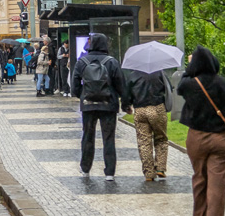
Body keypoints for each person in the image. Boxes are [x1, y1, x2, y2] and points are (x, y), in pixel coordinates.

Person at [177, 46, 225, 216]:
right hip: (220, 138)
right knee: (217, 183)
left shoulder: (190, 84)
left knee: (199, 177)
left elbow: (180, 85)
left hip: (196, 138)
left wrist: (190, 68)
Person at [70, 32, 126, 181]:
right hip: (109, 104)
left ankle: (86, 169)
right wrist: (124, 101)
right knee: (109, 138)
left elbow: (74, 86)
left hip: (88, 105)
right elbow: (121, 84)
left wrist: (82, 95)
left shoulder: (82, 62)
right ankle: (109, 173)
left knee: (88, 136)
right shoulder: (111, 62)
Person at [122, 66, 172, 182]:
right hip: (157, 108)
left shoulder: (133, 75)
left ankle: (149, 173)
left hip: (140, 110)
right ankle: (160, 167)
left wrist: (126, 106)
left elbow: (126, 94)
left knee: (144, 142)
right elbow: (168, 88)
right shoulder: (159, 73)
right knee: (161, 138)